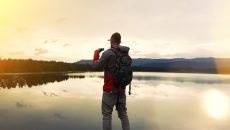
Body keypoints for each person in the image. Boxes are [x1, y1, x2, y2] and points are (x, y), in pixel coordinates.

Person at [92, 32, 130, 130]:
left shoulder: (108, 53)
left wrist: (96, 53)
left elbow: (95, 66)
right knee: (123, 115)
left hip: (110, 90)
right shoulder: (125, 54)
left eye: (110, 41)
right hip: (122, 90)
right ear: (120, 41)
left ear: (112, 41)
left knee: (107, 115)